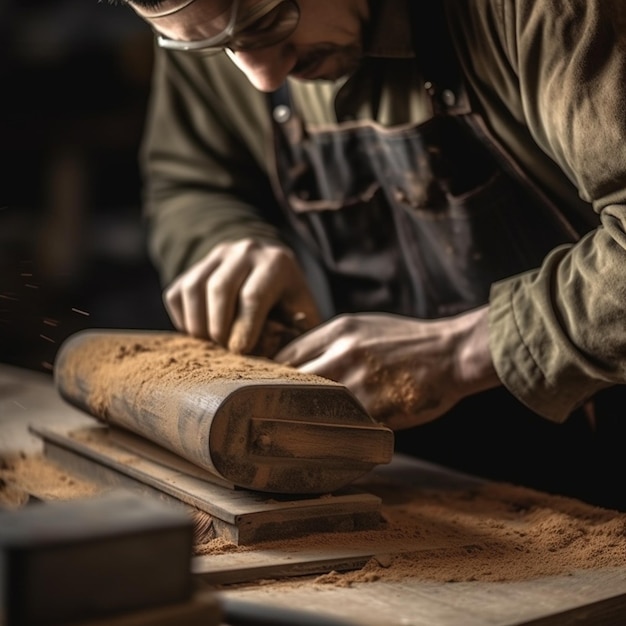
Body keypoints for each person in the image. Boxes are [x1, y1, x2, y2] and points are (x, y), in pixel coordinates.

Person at [116, 0, 626, 510]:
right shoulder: (207, 12)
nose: (263, 77)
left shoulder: (545, 12)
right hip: (414, 484)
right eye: (214, 47)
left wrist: (462, 352)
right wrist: (225, 239)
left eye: (271, 22)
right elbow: (191, 182)